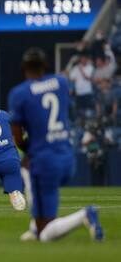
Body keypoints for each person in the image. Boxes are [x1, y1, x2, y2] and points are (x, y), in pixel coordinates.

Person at [8, 47, 104, 242]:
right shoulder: (61, 82)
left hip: (45, 162)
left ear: (24, 67)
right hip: (67, 157)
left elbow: (17, 136)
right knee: (30, 176)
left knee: (46, 234)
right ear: (45, 66)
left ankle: (84, 215)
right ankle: (35, 227)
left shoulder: (19, 93)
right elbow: (68, 110)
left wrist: (30, 151)